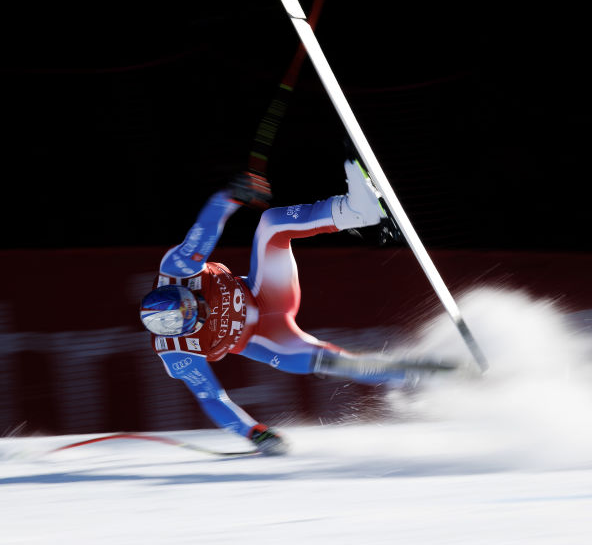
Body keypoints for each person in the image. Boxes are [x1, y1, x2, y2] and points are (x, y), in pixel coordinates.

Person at [139, 159, 428, 456]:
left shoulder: (177, 270)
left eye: (194, 300)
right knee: (328, 361)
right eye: (196, 316)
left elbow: (204, 230)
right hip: (266, 337)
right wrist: (254, 433)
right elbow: (211, 397)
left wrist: (229, 197)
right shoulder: (177, 353)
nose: (202, 307)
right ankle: (410, 375)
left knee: (273, 224)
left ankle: (354, 210)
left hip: (264, 291)